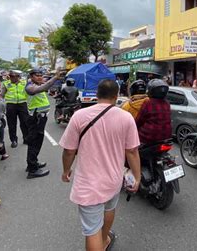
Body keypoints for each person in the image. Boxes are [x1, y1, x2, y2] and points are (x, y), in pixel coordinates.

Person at [60, 79, 141, 251]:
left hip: (89, 184)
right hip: (113, 179)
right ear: (116, 95)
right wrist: (137, 176)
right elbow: (132, 151)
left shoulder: (79, 116)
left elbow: (69, 151)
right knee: (109, 208)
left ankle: (100, 240)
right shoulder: (126, 117)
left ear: (97, 94)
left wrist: (66, 171)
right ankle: (104, 240)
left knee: (91, 230)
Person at [24, 68, 61, 179]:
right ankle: (33, 170)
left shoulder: (38, 84)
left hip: (39, 118)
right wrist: (55, 78)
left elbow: (46, 87)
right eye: (37, 75)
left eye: (41, 75)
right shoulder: (30, 87)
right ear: (31, 76)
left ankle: (32, 162)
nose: (40, 77)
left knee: (36, 141)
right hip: (36, 118)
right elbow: (42, 88)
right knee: (34, 142)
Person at [135, 79, 172, 144]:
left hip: (149, 137)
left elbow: (139, 120)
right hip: (167, 136)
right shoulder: (167, 103)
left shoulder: (148, 103)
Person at [0, 70, 29, 148]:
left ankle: (26, 138)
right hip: (10, 105)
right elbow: (2, 95)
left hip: (22, 104)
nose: (11, 78)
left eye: (13, 76)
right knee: (11, 124)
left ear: (18, 77)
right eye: (10, 76)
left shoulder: (24, 83)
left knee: (25, 122)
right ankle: (13, 140)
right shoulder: (6, 84)